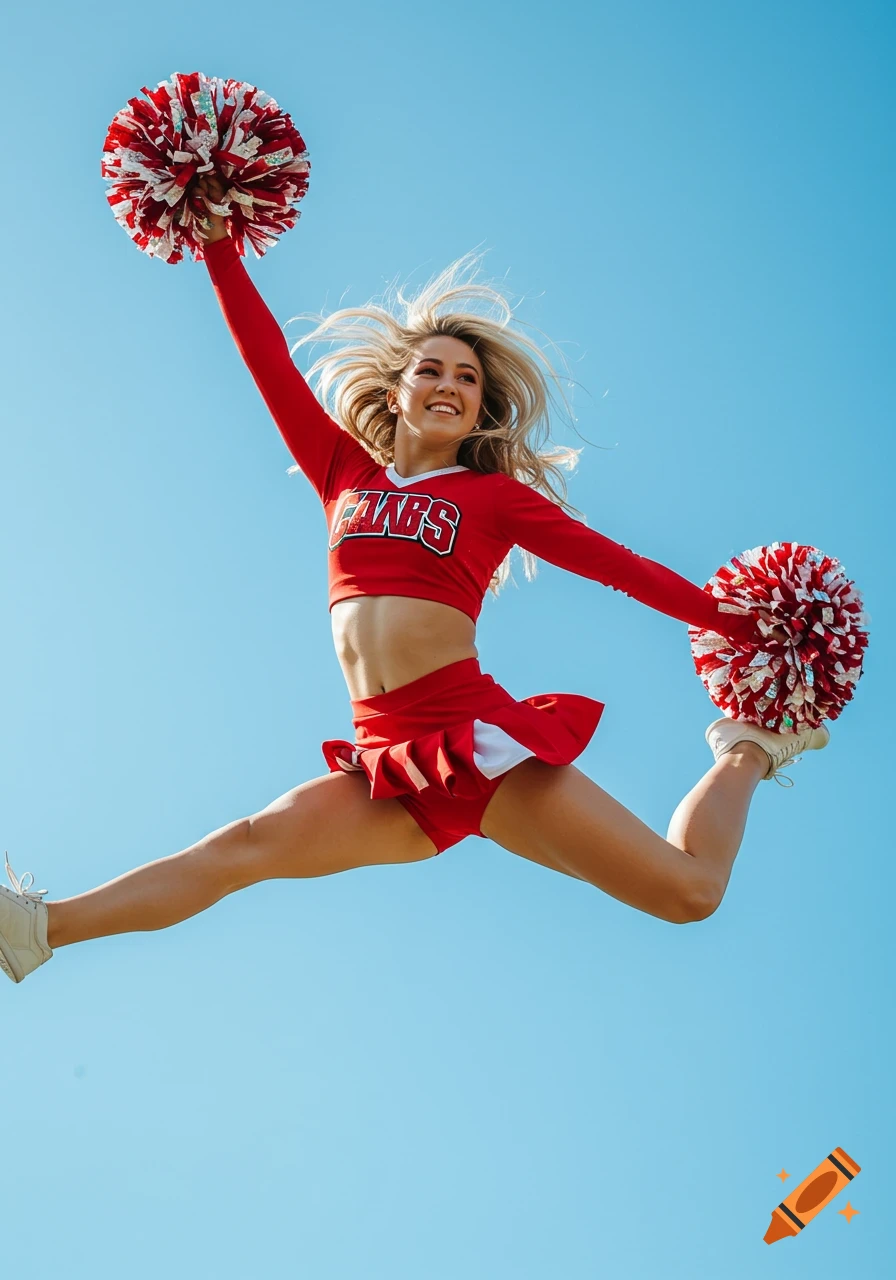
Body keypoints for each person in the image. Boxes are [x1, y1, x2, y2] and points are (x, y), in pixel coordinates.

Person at [0, 176, 830, 985]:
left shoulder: (494, 498)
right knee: (244, 847)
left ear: (478, 413)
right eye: (432, 370)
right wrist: (220, 244)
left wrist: (744, 628)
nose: (449, 386)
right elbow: (266, 360)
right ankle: (42, 930)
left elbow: (618, 568)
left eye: (468, 380)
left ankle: (747, 749)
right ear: (398, 393)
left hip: (471, 736)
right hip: (385, 756)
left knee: (689, 893)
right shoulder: (342, 476)